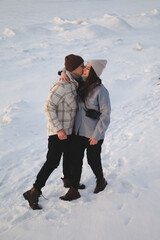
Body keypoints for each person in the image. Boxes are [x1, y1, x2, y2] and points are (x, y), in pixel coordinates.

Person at [23, 54, 85, 210]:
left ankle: (69, 181)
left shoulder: (75, 83)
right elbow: (48, 107)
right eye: (81, 66)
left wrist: (63, 71)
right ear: (74, 68)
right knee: (52, 161)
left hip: (69, 131)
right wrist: (58, 129)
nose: (83, 68)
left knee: (69, 156)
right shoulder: (62, 86)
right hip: (58, 132)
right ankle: (34, 191)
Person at [60, 59, 111, 201]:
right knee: (75, 160)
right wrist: (63, 72)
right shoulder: (82, 84)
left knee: (93, 160)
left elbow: (105, 116)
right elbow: (70, 69)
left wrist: (97, 135)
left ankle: (101, 180)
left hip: (93, 134)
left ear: (94, 72)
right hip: (78, 132)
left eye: (88, 68)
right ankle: (74, 190)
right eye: (85, 67)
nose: (84, 70)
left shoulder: (101, 90)